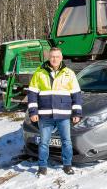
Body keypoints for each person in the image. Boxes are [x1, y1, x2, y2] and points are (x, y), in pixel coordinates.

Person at [27, 47, 82, 176]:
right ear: (49, 57)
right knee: (44, 142)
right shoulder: (39, 73)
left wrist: (76, 113)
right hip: (45, 116)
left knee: (66, 142)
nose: (54, 59)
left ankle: (67, 165)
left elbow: (76, 95)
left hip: (63, 115)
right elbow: (32, 94)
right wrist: (33, 112)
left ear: (61, 58)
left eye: (57, 56)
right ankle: (42, 167)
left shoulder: (69, 73)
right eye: (52, 56)